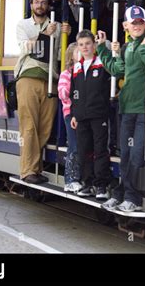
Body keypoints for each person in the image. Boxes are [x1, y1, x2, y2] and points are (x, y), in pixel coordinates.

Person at [100, 5, 145, 212]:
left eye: (140, 22)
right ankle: (122, 193)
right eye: (133, 23)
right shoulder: (128, 47)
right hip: (127, 107)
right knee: (126, 154)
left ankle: (134, 198)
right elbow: (117, 69)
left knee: (137, 154)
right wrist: (102, 48)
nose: (137, 26)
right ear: (125, 26)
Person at [15, 0, 70, 184]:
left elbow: (58, 57)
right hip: (29, 77)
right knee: (28, 126)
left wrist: (65, 37)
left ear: (48, 6)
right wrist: (44, 34)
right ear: (31, 5)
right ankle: (27, 171)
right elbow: (27, 49)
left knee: (45, 128)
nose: (40, 6)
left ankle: (35, 169)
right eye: (36, 2)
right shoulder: (23, 25)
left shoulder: (54, 24)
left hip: (51, 80)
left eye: (43, 2)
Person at [70, 30, 113, 200]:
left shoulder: (102, 63)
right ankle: (87, 184)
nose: (85, 47)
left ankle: (101, 185)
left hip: (99, 115)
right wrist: (74, 114)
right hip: (81, 116)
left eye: (88, 43)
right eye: (81, 44)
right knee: (83, 151)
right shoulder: (77, 67)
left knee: (100, 149)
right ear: (78, 47)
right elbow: (75, 93)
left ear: (94, 45)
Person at [58, 43, 82, 192]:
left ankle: (81, 177)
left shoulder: (85, 72)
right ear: (71, 56)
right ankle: (70, 179)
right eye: (77, 51)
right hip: (70, 113)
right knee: (74, 145)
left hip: (84, 114)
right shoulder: (66, 74)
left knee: (83, 146)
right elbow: (61, 93)